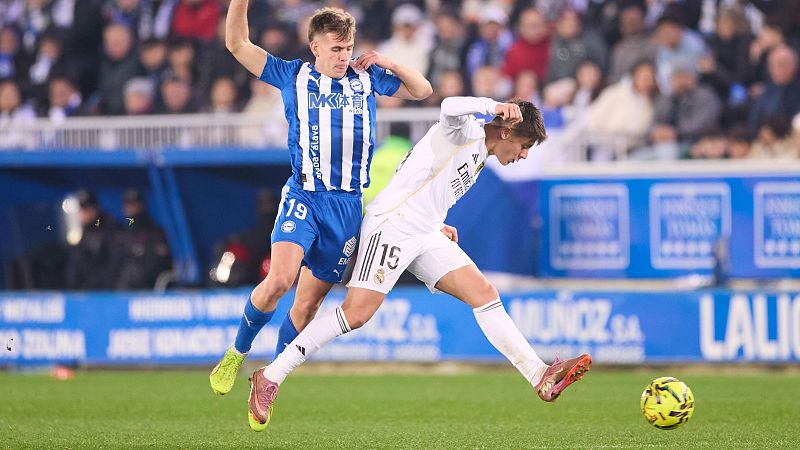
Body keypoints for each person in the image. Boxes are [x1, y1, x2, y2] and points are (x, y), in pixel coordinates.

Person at [245, 97, 592, 431]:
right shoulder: (466, 130)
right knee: (356, 314)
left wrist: (435, 220)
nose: (524, 155)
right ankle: (270, 375)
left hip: (424, 232)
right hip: (393, 227)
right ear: (506, 130)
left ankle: (538, 373)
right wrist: (491, 106)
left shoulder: (479, 154)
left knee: (484, 293)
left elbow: (418, 176)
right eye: (524, 145)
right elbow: (447, 106)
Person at [209, 4, 432, 397]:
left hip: (347, 208)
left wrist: (387, 61)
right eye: (336, 49)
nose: (344, 56)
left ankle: (270, 380)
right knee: (279, 279)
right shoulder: (292, 75)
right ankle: (235, 352)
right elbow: (237, 43)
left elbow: (423, 90)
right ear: (315, 46)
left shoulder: (367, 79)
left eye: (348, 48)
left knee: (307, 307)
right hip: (305, 196)